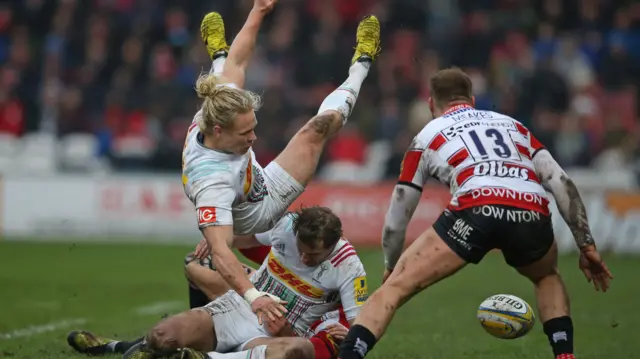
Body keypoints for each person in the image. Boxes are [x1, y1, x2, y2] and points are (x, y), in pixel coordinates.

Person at [336, 68, 613, 359]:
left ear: (431, 104)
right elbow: (561, 183)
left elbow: (400, 209)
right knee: (546, 277)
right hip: (530, 209)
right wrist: (587, 245)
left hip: (476, 207)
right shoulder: (513, 125)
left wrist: (392, 265)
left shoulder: (428, 134)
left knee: (391, 292)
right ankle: (565, 355)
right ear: (472, 99)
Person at [180, 0, 380, 328]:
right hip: (257, 215)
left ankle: (362, 62)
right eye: (246, 133)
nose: (254, 139)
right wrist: (254, 297)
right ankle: (218, 58)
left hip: (259, 182)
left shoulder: (215, 111)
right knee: (200, 262)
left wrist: (258, 10)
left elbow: (242, 60)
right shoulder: (211, 183)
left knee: (310, 123)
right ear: (219, 131)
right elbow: (221, 254)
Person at [69, 206, 367, 359]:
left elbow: (362, 324)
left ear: (334, 245)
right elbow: (243, 236)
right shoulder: (285, 225)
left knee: (293, 351)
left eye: (313, 255)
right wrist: (217, 242)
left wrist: (350, 332)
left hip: (279, 335)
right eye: (300, 249)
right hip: (239, 308)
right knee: (162, 335)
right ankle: (122, 347)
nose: (303, 258)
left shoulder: (350, 266)